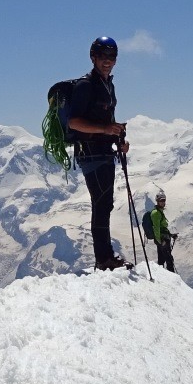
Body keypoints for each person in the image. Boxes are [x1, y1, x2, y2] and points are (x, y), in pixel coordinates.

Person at [64, 36, 128, 270]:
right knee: (101, 204)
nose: (108, 61)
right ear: (93, 57)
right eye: (103, 56)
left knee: (105, 204)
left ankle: (106, 256)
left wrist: (118, 137)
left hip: (104, 152)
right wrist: (105, 129)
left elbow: (106, 120)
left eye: (112, 57)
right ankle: (104, 259)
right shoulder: (85, 85)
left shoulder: (107, 86)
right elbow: (74, 123)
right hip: (91, 154)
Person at [145, 193, 177, 273]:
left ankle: (162, 275)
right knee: (169, 260)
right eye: (161, 200)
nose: (163, 202)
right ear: (157, 201)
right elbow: (156, 228)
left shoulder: (159, 212)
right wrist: (160, 241)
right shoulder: (156, 213)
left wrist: (170, 235)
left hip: (163, 238)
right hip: (162, 240)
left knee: (162, 259)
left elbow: (161, 228)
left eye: (164, 200)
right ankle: (172, 278)